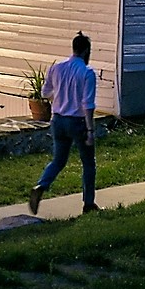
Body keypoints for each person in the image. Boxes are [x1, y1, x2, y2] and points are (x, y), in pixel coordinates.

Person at [29, 31, 100, 215]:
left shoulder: (57, 68)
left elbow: (45, 93)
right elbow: (88, 104)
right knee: (88, 163)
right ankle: (88, 203)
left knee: (58, 160)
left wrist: (60, 97)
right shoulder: (87, 73)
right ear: (86, 51)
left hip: (58, 120)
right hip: (78, 122)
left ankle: (41, 186)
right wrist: (90, 131)